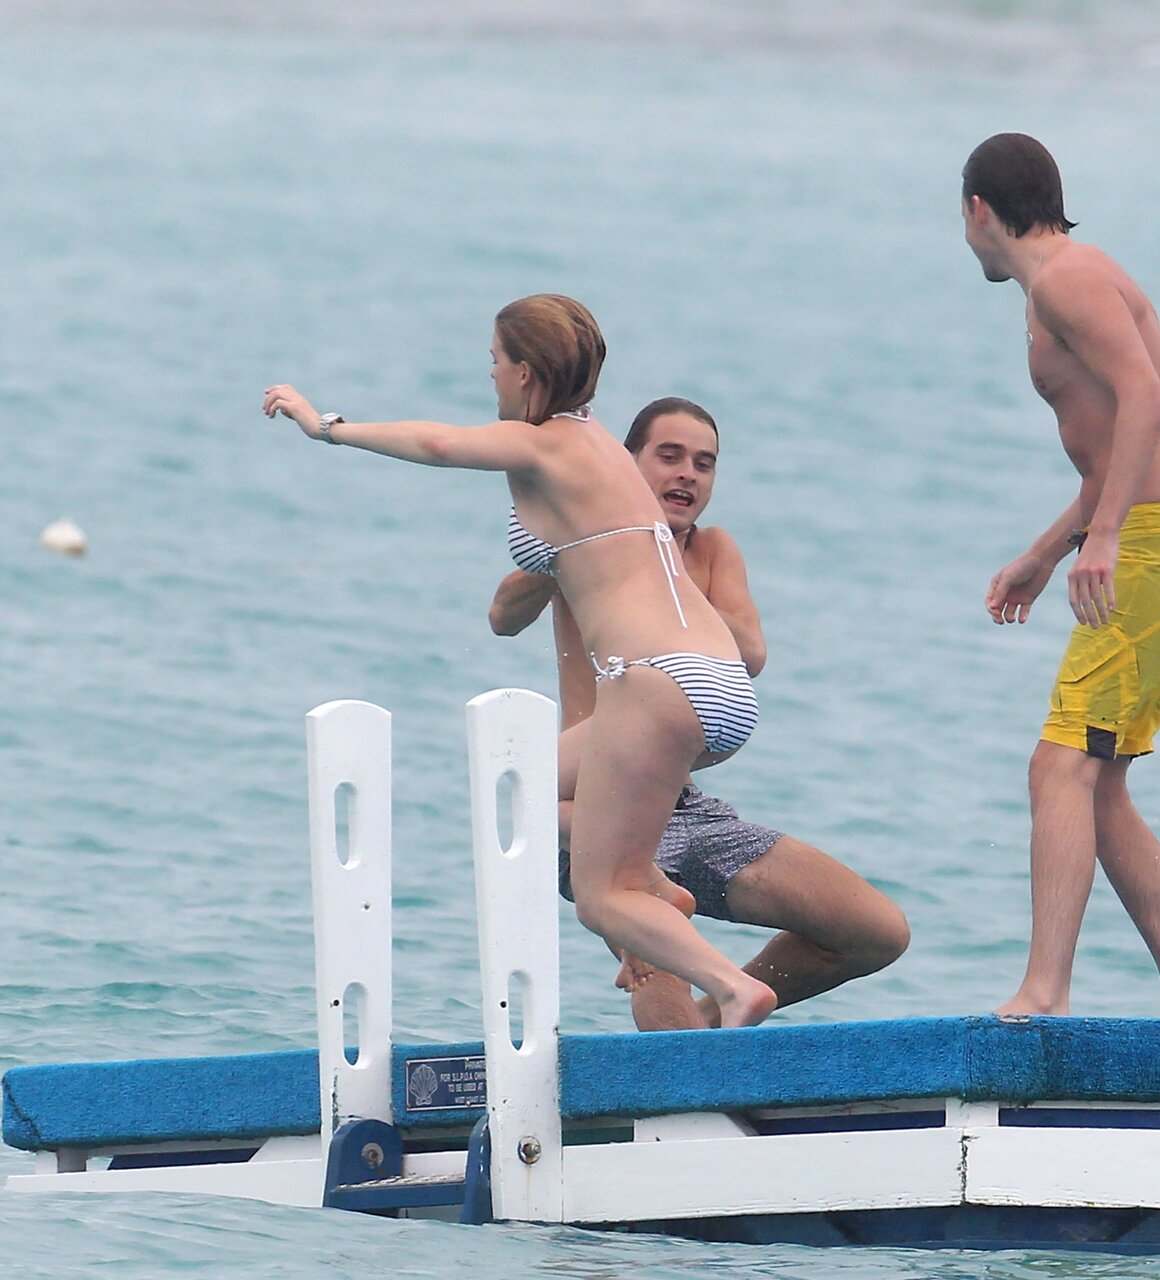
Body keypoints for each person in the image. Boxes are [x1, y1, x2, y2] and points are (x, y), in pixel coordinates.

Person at [263, 294, 777, 1028]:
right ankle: (657, 897)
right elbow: (509, 610)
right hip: (715, 680)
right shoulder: (599, 444)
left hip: (658, 682)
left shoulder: (544, 445)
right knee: (522, 785)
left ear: (527, 374)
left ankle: (732, 986)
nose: (491, 378)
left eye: (496, 363)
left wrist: (326, 426)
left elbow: (439, 443)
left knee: (600, 897)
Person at [488, 396, 910, 1030]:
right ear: (626, 466)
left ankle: (718, 1017)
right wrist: (575, 549)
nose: (687, 473)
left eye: (704, 464)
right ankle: (682, 1046)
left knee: (875, 931)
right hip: (592, 807)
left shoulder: (712, 550)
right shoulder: (585, 544)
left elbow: (751, 654)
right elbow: (502, 618)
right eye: (669, 456)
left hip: (684, 805)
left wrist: (664, 574)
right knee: (654, 957)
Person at [962, 133, 1160, 1018]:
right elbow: (1112, 451)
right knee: (1099, 785)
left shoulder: (1066, 281)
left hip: (1156, 549)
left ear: (978, 210)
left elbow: (1149, 398)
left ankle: (1045, 991)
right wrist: (1048, 553)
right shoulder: (1064, 284)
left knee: (1058, 768)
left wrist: (1106, 538)